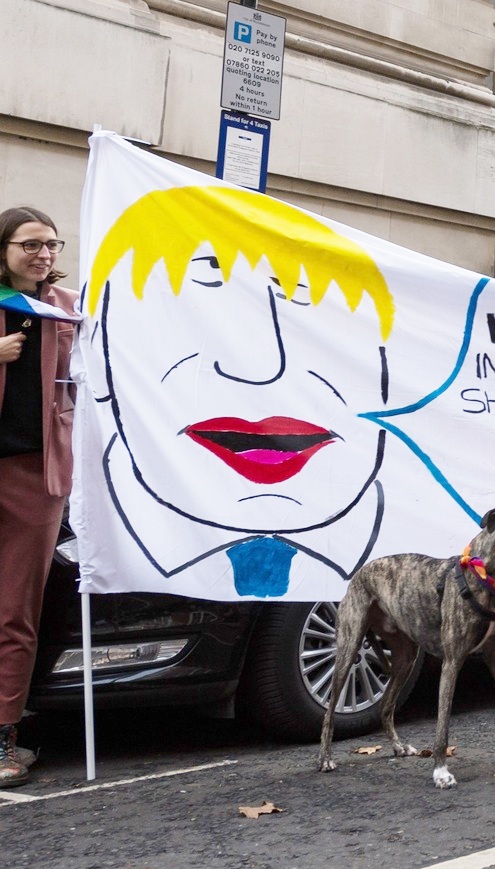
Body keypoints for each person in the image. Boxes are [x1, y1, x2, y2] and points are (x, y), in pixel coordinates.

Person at [86, 185, 395, 599]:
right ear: (100, 356)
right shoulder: (92, 531)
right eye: (196, 309)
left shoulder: (411, 544)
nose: (262, 367)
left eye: (310, 312)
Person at [0, 206, 80, 787]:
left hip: (35, 477)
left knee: (15, 613)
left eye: (50, 244)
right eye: (30, 244)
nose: (43, 254)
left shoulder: (68, 308)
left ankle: (4, 736)